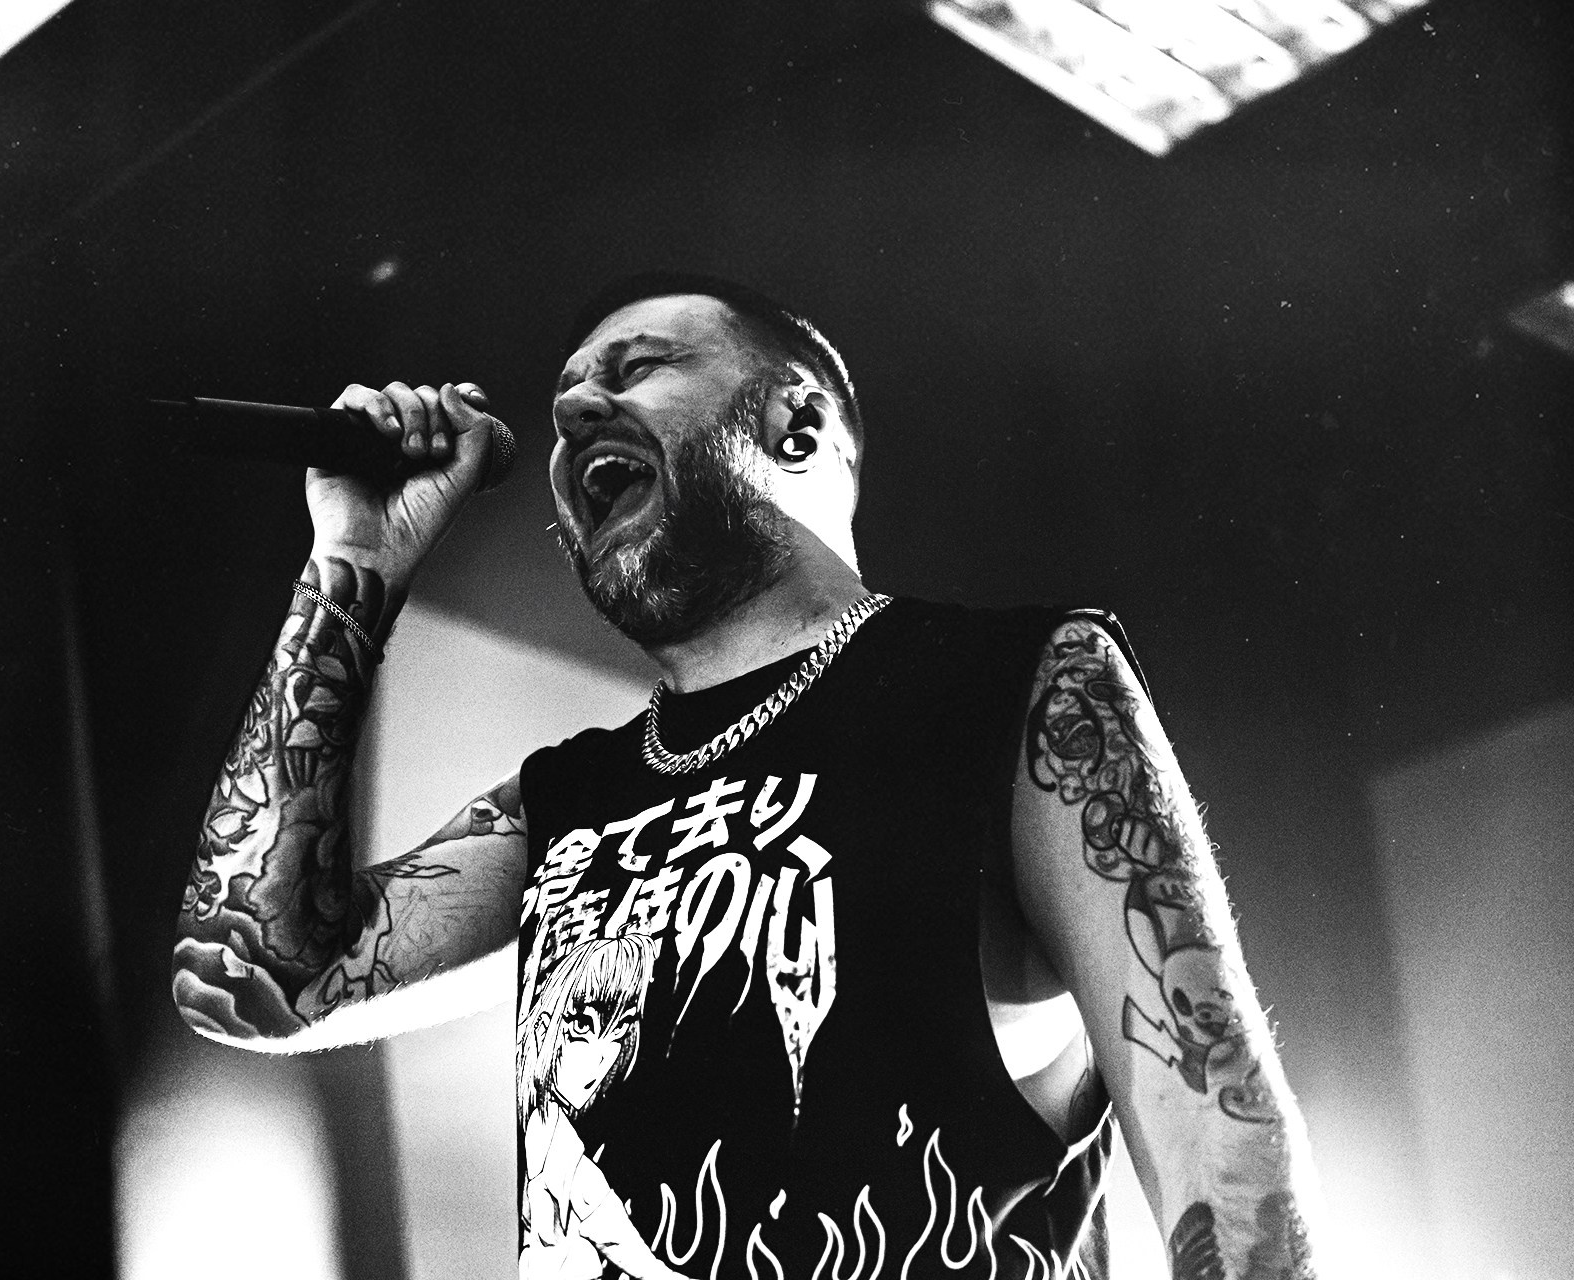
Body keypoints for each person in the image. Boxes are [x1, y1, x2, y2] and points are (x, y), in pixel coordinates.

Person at [171, 273, 1324, 1278]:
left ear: (797, 420)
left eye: (638, 367)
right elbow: (258, 970)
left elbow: (1224, 1149)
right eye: (568, 393)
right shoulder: (568, 800)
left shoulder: (1013, 684)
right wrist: (355, 562)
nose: (572, 411)